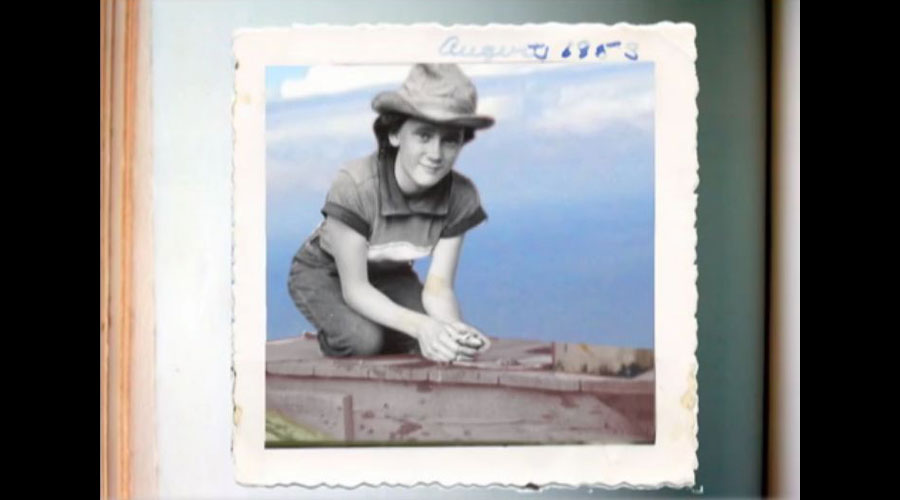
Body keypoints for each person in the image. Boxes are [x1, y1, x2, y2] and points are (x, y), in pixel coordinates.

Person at [288, 63, 493, 363]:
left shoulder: (460, 196)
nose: (436, 154)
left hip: (389, 275)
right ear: (395, 134)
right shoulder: (356, 185)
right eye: (424, 136)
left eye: (450, 139)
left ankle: (388, 327)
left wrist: (452, 331)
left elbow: (438, 288)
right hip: (327, 272)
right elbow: (356, 289)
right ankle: (337, 333)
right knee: (364, 340)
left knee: (430, 339)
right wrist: (423, 327)